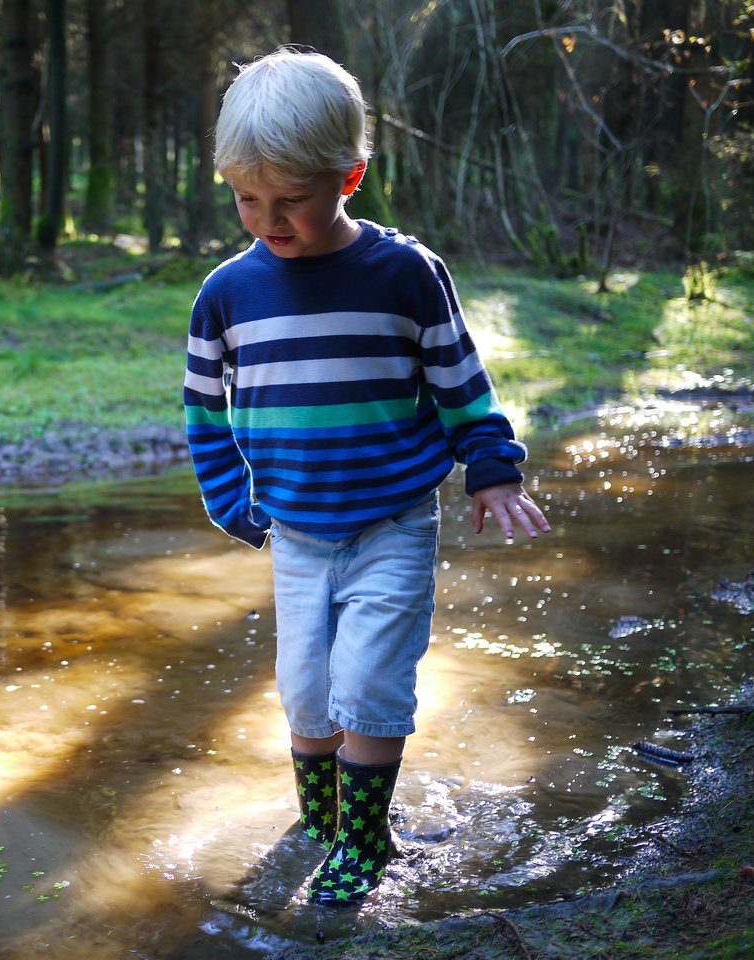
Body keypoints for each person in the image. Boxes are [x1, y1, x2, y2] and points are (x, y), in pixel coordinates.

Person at [183, 48, 551, 907]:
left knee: (372, 684)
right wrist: (229, 499)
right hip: (295, 529)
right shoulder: (227, 294)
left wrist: (492, 468)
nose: (267, 219)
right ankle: (318, 821)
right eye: (246, 198)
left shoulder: (405, 274)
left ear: (348, 176)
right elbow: (203, 412)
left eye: (291, 200)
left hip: (393, 521)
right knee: (307, 692)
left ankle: (364, 839)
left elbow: (461, 382)